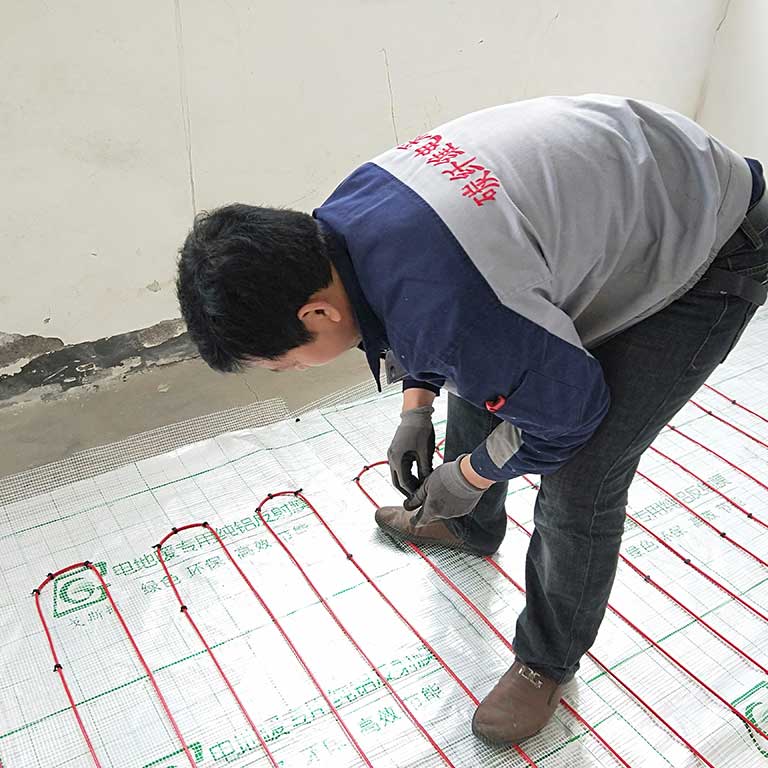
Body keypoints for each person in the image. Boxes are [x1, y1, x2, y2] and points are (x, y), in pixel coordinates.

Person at [176, 94, 767, 745]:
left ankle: (547, 662)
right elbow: (428, 313)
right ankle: (471, 525)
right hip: (640, 183)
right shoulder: (344, 217)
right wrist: (416, 405)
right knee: (489, 375)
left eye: (281, 362)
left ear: (316, 315)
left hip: (714, 237)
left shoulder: (455, 309)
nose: (288, 371)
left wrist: (470, 474)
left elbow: (567, 415)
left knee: (584, 473)